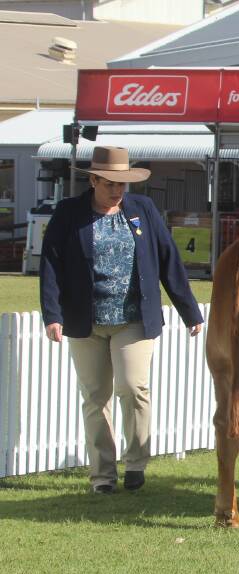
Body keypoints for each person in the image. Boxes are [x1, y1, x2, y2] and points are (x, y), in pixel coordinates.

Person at [39, 146, 204, 494]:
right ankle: (102, 475)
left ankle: (136, 462)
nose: (117, 191)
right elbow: (51, 264)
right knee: (95, 398)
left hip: (134, 319)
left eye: (123, 184)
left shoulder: (142, 210)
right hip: (86, 320)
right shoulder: (69, 213)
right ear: (94, 180)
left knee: (132, 388)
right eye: (110, 183)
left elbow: (167, 258)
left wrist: (189, 310)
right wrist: (52, 314)